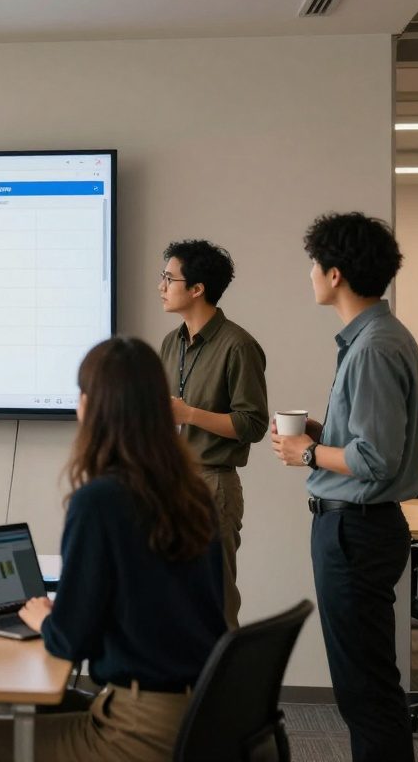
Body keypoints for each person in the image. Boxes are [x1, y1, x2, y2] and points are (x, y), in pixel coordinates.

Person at [0, 337, 226, 762]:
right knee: (49, 708)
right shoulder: (193, 494)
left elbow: (70, 642)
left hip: (142, 726)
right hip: (204, 714)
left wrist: (46, 617)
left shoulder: (100, 501)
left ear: (91, 408)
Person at [271, 212, 418, 762]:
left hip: (355, 533)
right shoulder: (373, 338)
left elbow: (376, 458)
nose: (310, 274)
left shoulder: (374, 347)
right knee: (366, 685)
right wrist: (323, 433)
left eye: (315, 264)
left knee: (365, 692)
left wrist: (307, 452)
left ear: (335, 273)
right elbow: (366, 442)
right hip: (355, 529)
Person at [158, 239, 268, 628]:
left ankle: (226, 688)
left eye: (169, 278)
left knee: (214, 604)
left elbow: (252, 425)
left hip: (213, 484)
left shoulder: (238, 346)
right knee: (172, 602)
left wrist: (189, 413)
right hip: (170, 483)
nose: (161, 286)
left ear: (197, 288)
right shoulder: (171, 343)